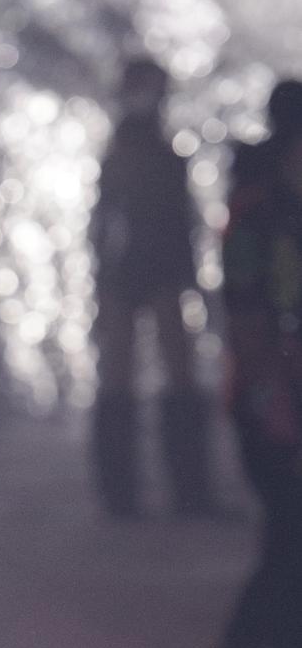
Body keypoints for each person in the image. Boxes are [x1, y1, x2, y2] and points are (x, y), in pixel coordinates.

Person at [179, 80, 302, 648]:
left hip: (280, 405)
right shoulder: (258, 218)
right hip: (270, 411)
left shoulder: (282, 211)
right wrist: (275, 403)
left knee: (289, 548)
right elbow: (250, 318)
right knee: (287, 549)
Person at [90, 57, 215, 518]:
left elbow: (179, 222)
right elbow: (105, 221)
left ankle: (184, 488)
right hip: (130, 274)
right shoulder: (125, 154)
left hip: (156, 272)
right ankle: (127, 493)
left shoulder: (161, 155)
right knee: (123, 376)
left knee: (173, 373)